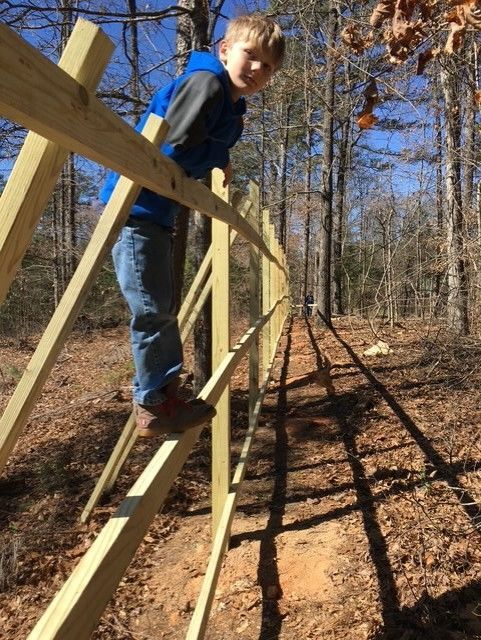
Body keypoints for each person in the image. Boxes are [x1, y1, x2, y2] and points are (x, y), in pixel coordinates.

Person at [100, 14, 285, 437]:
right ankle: (151, 404)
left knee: (159, 308)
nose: (258, 69)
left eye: (268, 66)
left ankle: (163, 397)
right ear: (224, 50)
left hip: (154, 212)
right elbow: (177, 147)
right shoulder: (207, 84)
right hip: (136, 209)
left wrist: (220, 154)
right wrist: (218, 158)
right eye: (250, 55)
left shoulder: (231, 104)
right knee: (152, 311)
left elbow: (195, 146)